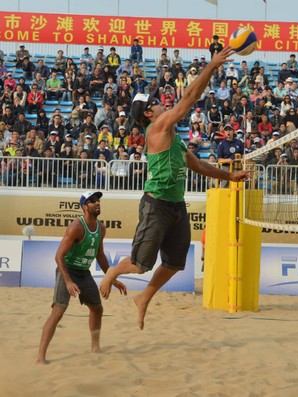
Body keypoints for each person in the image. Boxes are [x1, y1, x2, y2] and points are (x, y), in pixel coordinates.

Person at [99, 47, 251, 330]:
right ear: (148, 112)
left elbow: (199, 166)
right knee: (140, 264)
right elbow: (190, 98)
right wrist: (213, 65)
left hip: (176, 205)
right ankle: (110, 272)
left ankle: (143, 298)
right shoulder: (156, 128)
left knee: (174, 263)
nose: (161, 104)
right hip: (155, 205)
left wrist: (230, 178)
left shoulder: (174, 139)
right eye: (156, 103)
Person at [36, 191, 127, 364]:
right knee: (58, 312)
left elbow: (100, 256)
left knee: (97, 308)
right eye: (92, 201)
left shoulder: (101, 228)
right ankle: (41, 357)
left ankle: (95, 347)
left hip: (84, 272)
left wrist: (112, 278)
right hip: (67, 270)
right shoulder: (76, 227)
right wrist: (68, 281)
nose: (97, 203)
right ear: (84, 206)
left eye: (98, 200)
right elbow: (58, 257)